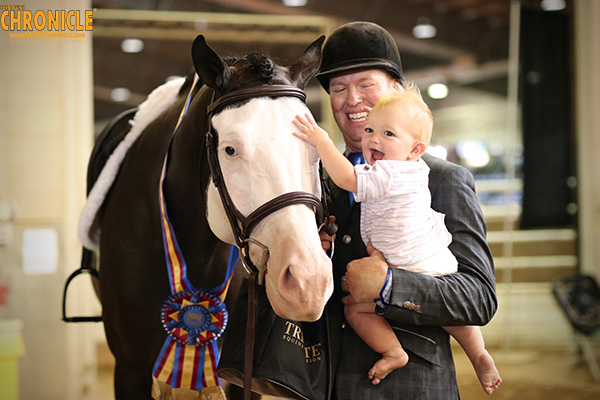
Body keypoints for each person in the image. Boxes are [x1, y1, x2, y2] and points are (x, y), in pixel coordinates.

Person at [313, 21, 498, 399]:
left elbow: (477, 296)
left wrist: (389, 285)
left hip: (411, 387)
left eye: (366, 84)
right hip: (322, 381)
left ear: (395, 90)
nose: (352, 99)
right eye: (338, 88)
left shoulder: (443, 178)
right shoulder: (315, 178)